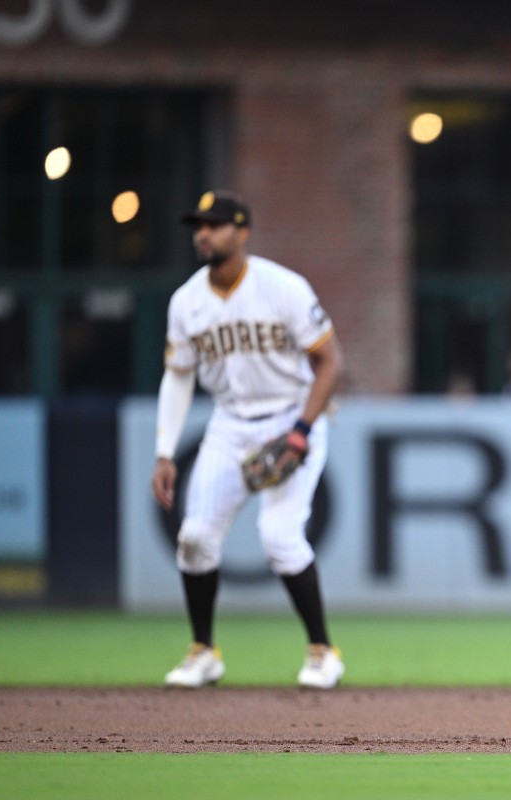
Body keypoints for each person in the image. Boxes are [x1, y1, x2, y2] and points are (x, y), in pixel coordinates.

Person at [151, 190, 346, 689]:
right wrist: (165, 451)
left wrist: (302, 431)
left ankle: (323, 651)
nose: (203, 234)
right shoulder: (187, 302)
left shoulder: (282, 287)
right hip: (229, 423)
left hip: (291, 414)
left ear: (242, 232)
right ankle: (203, 651)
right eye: (198, 225)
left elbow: (330, 362)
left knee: (279, 538)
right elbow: (178, 376)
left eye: (214, 225)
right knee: (194, 537)